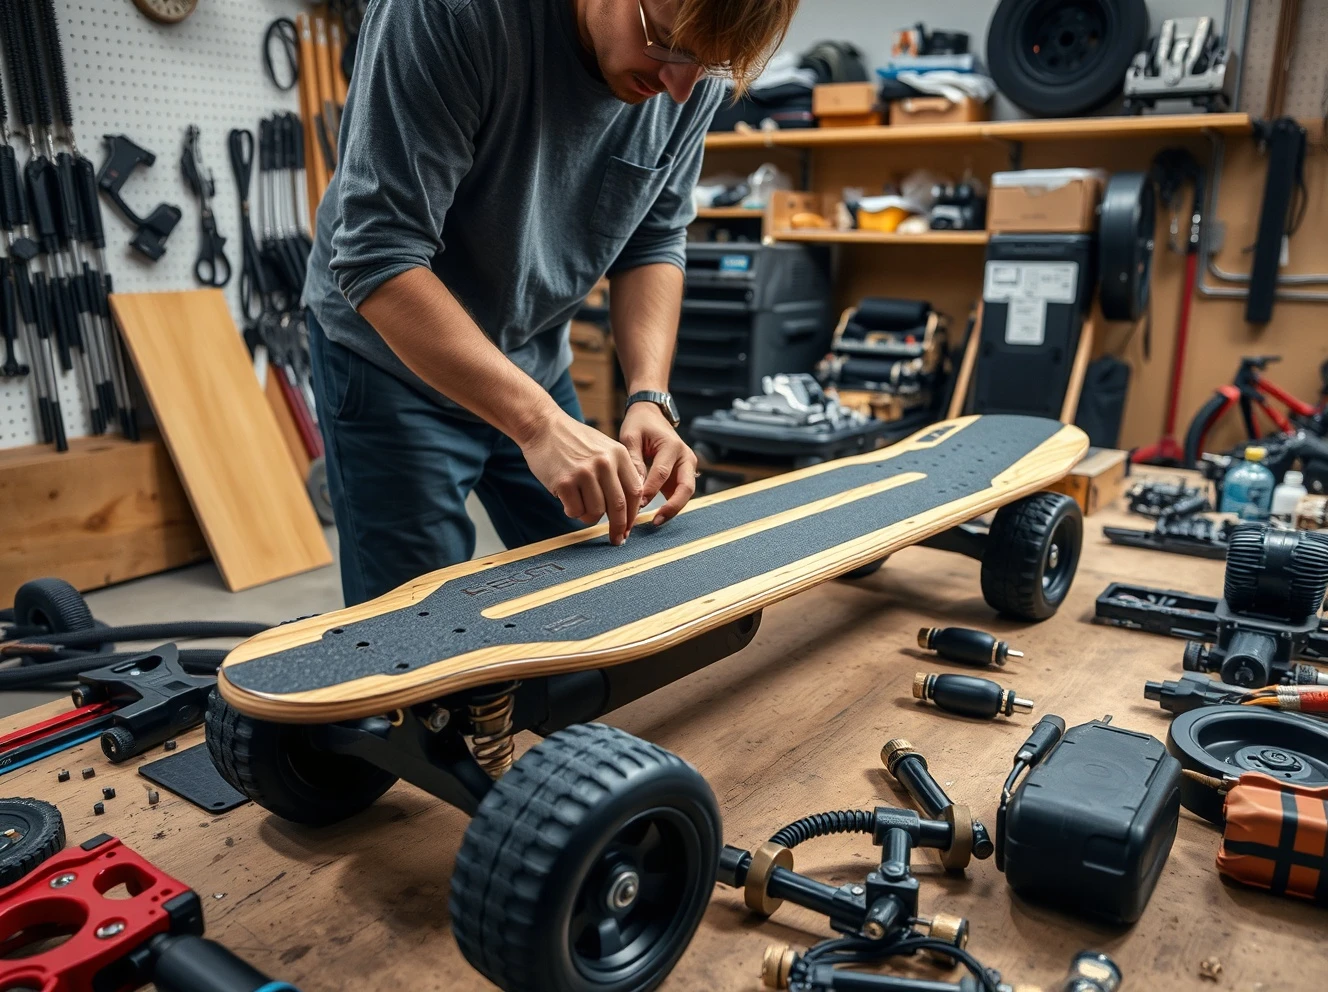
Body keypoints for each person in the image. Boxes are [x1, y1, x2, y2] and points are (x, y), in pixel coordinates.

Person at [304, 0, 799, 606]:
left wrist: (650, 396)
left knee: (592, 592)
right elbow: (378, 254)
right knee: (416, 629)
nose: (680, 87)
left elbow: (653, 236)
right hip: (392, 359)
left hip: (531, 353)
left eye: (711, 66)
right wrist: (537, 424)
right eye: (667, 43)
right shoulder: (447, 13)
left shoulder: (688, 74)